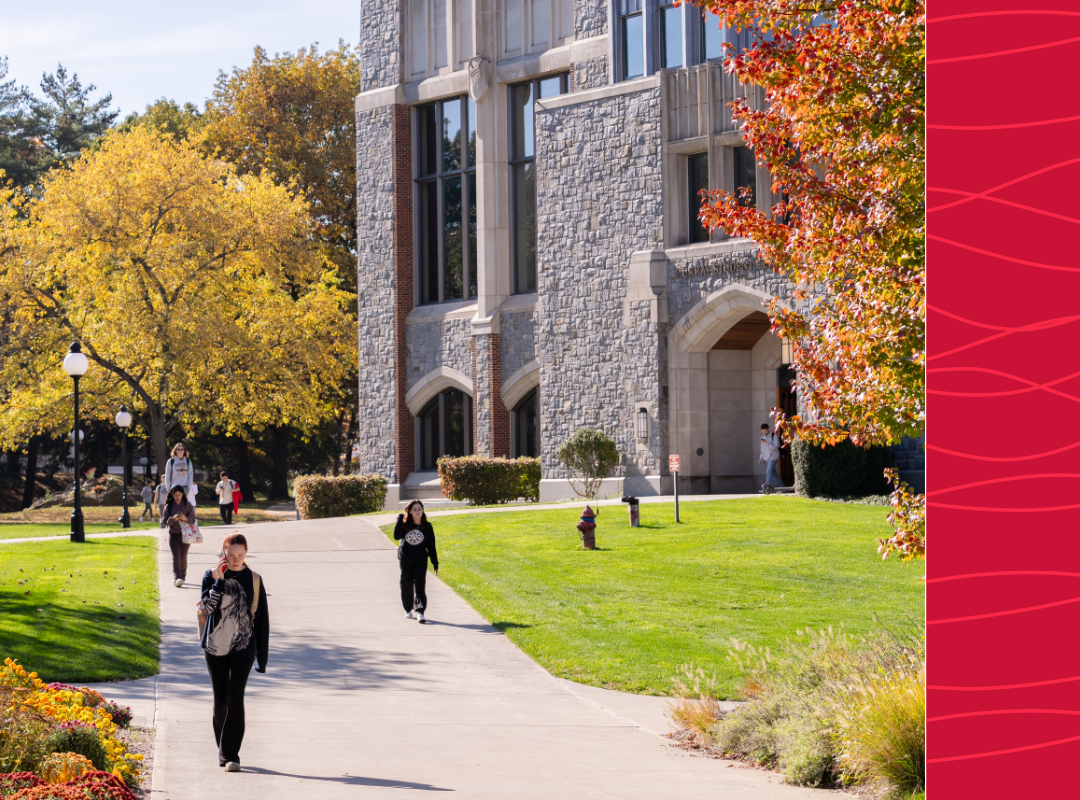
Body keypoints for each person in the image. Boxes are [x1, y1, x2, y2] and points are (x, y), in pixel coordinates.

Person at [199, 532, 268, 773]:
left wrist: (262, 656)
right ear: (223, 553)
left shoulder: (254, 579)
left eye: (241, 555)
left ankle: (231, 755)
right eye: (231, 555)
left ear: (246, 554)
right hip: (215, 645)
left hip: (243, 646)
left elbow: (262, 620)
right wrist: (219, 580)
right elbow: (208, 607)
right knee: (221, 700)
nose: (236, 560)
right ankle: (223, 746)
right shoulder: (210, 576)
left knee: (236, 697)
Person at [393, 500, 439, 624]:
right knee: (406, 584)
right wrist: (399, 519)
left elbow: (431, 546)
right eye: (414, 509)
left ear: (423, 510)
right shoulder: (405, 524)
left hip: (420, 559)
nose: (417, 511)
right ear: (409, 511)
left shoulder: (427, 526)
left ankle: (420, 612)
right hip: (406, 559)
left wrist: (435, 563)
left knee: (420, 585)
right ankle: (408, 609)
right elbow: (396, 536)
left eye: (419, 509)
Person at [161, 485, 197, 587]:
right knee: (175, 557)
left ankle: (183, 577)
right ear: (172, 495)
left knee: (183, 557)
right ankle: (177, 578)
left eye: (180, 495)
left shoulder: (187, 504)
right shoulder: (169, 506)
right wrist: (173, 519)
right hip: (173, 535)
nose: (178, 497)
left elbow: (193, 519)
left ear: (183, 495)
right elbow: (164, 521)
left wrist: (185, 518)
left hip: (186, 535)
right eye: (175, 495)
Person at [165, 442, 197, 507]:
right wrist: (168, 489)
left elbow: (190, 475)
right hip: (174, 488)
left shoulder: (188, 462)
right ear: (175, 451)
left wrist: (188, 487)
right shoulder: (171, 461)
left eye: (182, 449)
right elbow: (167, 476)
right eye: (178, 449)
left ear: (184, 451)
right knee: (175, 508)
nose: (180, 451)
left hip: (185, 487)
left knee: (184, 508)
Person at [759, 423, 784, 494]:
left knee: (768, 471)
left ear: (768, 429)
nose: (764, 433)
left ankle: (766, 487)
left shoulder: (774, 436)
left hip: (773, 457)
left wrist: (767, 443)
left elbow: (776, 447)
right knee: (774, 474)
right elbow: (762, 448)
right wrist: (761, 457)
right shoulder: (762, 437)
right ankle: (782, 487)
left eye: (765, 431)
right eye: (763, 432)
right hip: (766, 458)